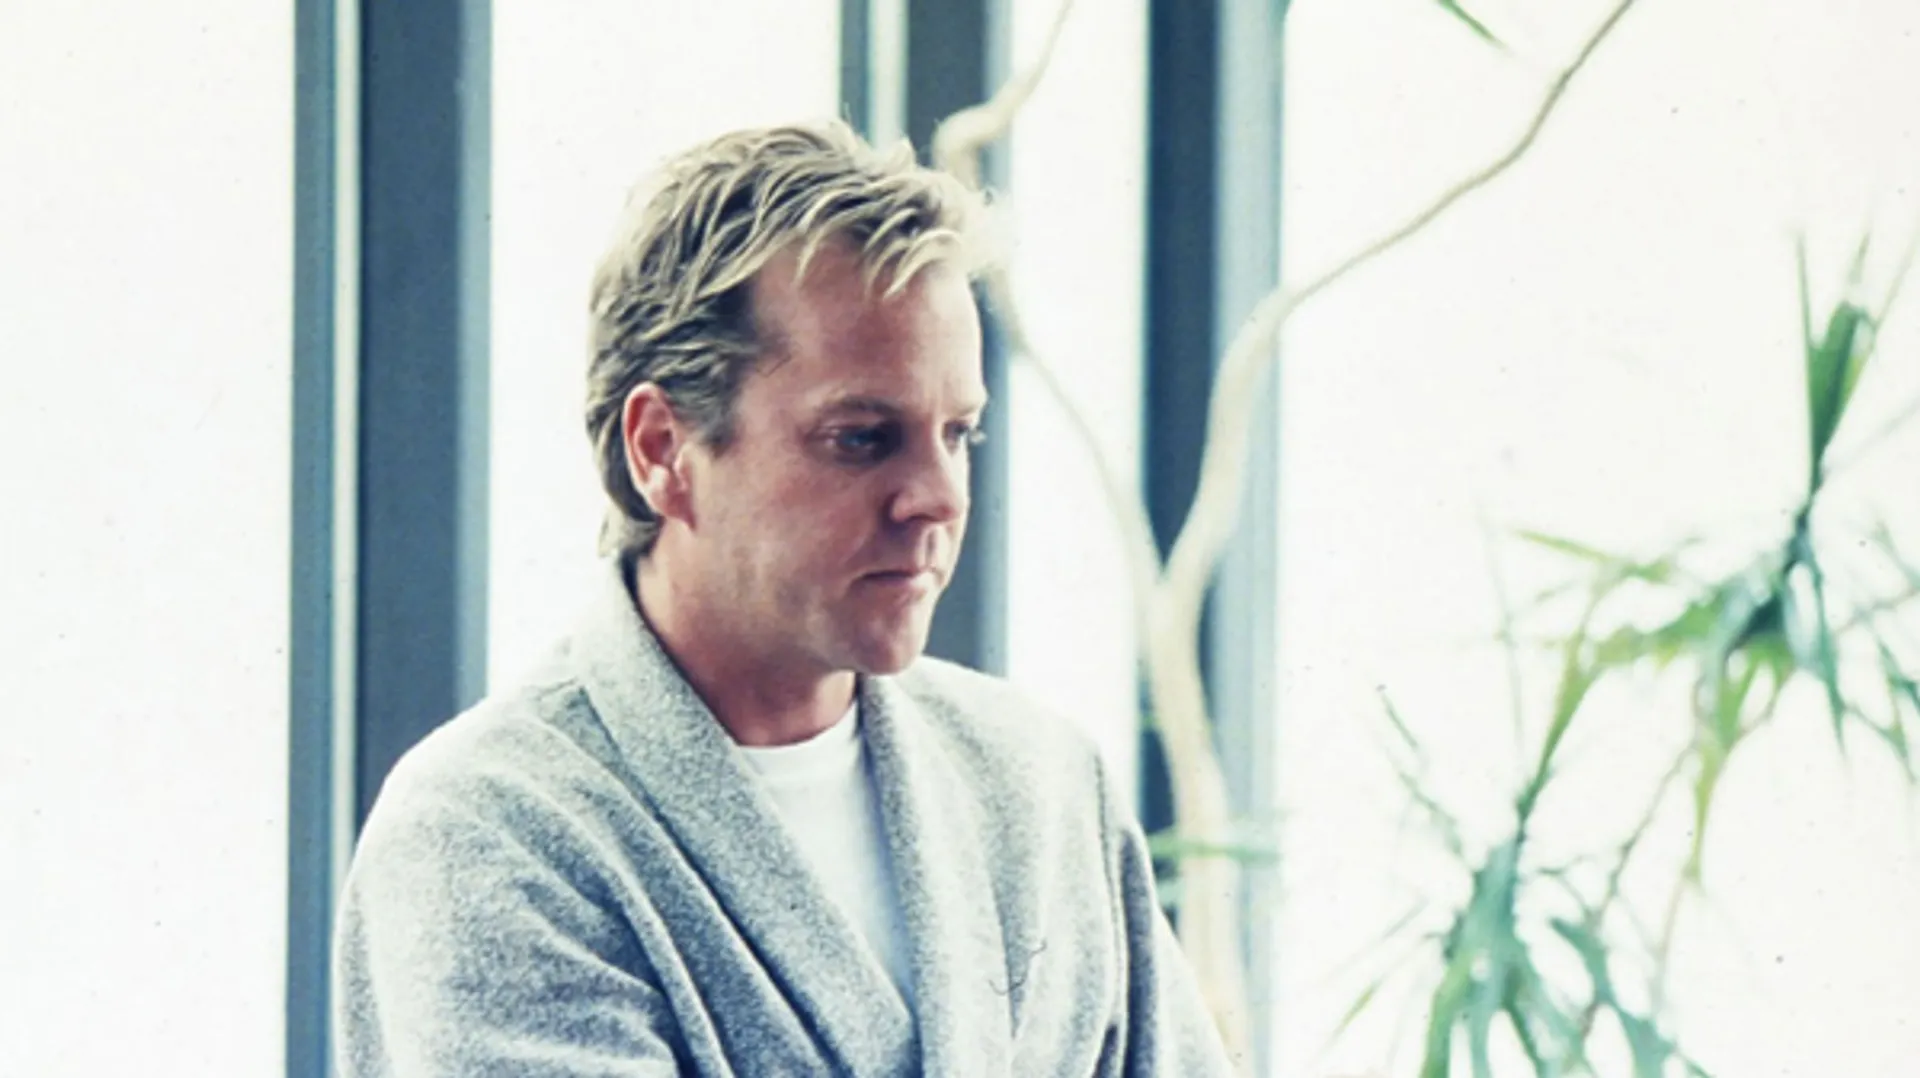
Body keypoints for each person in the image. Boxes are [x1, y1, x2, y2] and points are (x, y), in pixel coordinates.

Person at [331, 119, 1234, 1077]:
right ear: (662, 450)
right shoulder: (488, 831)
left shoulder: (1041, 786)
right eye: (861, 438)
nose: (938, 497)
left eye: (959, 434)